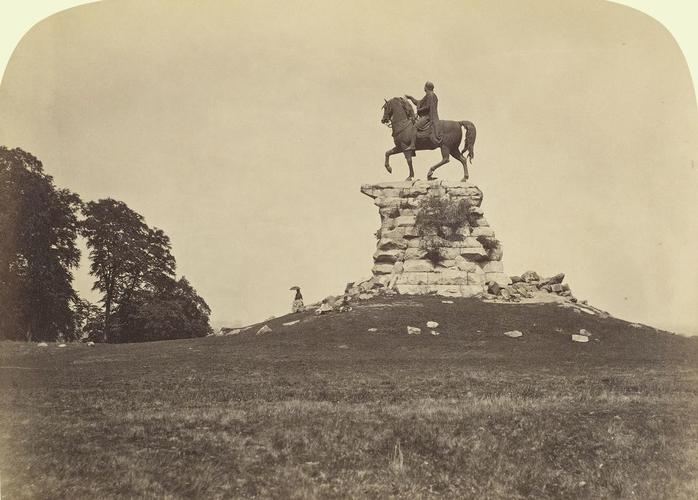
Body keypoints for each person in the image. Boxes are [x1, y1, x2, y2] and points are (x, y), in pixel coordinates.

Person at [404, 81, 443, 151]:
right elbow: (419, 102)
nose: (424, 88)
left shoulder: (430, 95)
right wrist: (410, 97)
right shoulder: (429, 95)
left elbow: (428, 107)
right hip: (427, 116)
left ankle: (412, 145)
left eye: (424, 86)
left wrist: (419, 110)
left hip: (428, 117)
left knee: (414, 127)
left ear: (426, 87)